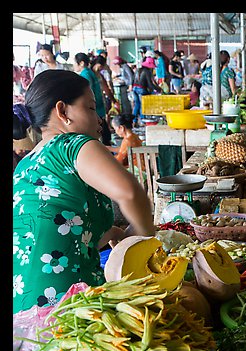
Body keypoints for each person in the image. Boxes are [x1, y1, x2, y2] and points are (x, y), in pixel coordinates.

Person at [12, 69, 155, 314]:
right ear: (63, 111)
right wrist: (144, 238)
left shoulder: (28, 163)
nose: (99, 117)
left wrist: (111, 231)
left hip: (25, 309)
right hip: (69, 307)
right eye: (90, 108)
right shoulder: (71, 144)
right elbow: (131, 193)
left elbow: (57, 228)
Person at [73, 52, 113, 146]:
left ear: (81, 63)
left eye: (75, 62)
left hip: (94, 109)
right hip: (99, 107)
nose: (74, 65)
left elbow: (86, 94)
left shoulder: (85, 74)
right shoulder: (91, 73)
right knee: (104, 132)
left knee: (97, 135)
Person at [132, 57, 163, 127]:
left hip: (134, 88)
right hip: (141, 89)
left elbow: (133, 80)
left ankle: (134, 121)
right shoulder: (147, 72)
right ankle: (143, 121)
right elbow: (150, 84)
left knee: (136, 105)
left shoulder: (138, 70)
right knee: (143, 105)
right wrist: (158, 89)